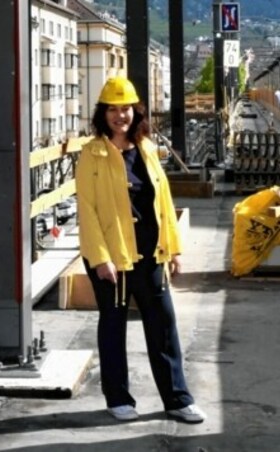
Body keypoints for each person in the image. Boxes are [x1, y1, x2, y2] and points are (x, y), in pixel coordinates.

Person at [75, 76, 206, 424]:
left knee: (163, 324)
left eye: (126, 109)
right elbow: (86, 209)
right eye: (113, 110)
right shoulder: (93, 154)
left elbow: (163, 200)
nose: (121, 116)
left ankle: (177, 399)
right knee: (114, 326)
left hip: (150, 253)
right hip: (112, 258)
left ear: (137, 111)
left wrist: (173, 248)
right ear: (102, 114)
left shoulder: (146, 149)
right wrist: (100, 258)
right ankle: (117, 398)